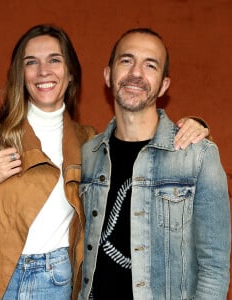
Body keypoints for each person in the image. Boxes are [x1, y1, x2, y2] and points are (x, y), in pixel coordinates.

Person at [0, 24, 209, 300]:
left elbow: (138, 143)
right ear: (21, 73)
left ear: (70, 73)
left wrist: (193, 126)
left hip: (53, 285)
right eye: (32, 62)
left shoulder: (88, 141)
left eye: (54, 60)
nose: (43, 71)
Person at [78, 28, 230, 300]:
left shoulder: (198, 156)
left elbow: (214, 267)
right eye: (126, 60)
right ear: (107, 75)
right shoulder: (88, 155)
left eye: (150, 65)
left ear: (163, 85)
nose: (136, 73)